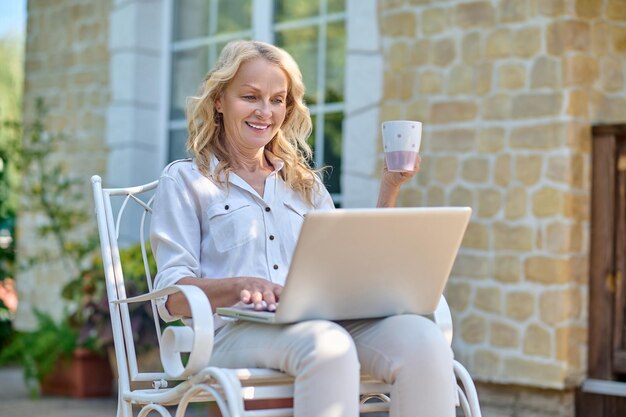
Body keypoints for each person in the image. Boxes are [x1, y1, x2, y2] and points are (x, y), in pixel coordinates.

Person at [150, 40, 456, 417]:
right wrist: (238, 285)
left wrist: (389, 187)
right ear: (219, 100)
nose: (265, 112)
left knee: (423, 339)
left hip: (320, 323)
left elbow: (351, 271)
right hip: (234, 334)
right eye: (250, 96)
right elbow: (170, 298)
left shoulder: (305, 184)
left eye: (278, 100)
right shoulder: (186, 180)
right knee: (327, 346)